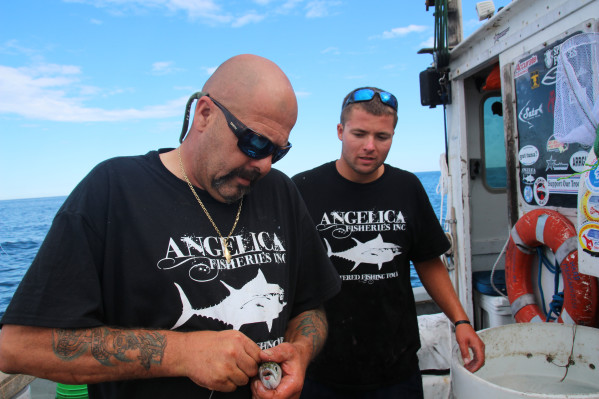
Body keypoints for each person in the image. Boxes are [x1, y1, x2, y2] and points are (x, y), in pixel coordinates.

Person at [0, 54, 341, 399]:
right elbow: (18, 346)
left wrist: (300, 351)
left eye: (277, 152)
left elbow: (309, 307)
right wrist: (181, 354)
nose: (264, 164)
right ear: (205, 114)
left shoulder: (281, 192)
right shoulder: (113, 189)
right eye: (254, 143)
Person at [292, 87, 485, 398]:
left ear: (393, 135)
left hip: (396, 366)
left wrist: (461, 321)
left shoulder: (407, 187)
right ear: (341, 131)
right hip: (319, 366)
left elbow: (426, 261)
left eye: (382, 137)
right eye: (359, 134)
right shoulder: (301, 188)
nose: (370, 146)